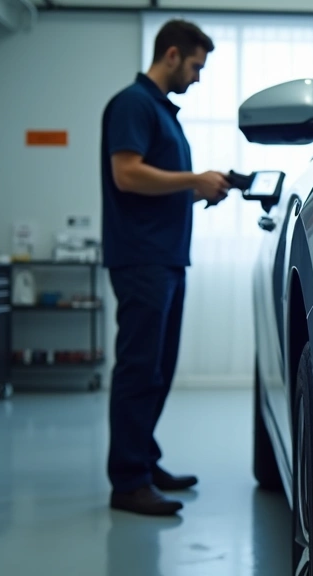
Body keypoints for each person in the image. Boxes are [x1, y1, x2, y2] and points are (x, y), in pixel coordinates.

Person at [100, 18, 231, 516]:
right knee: (139, 369)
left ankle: (143, 461)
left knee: (157, 370)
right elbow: (127, 174)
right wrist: (192, 180)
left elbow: (157, 187)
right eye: (196, 66)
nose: (198, 77)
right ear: (172, 54)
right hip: (142, 259)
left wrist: (199, 190)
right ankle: (128, 482)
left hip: (166, 257)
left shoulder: (162, 112)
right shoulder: (133, 104)